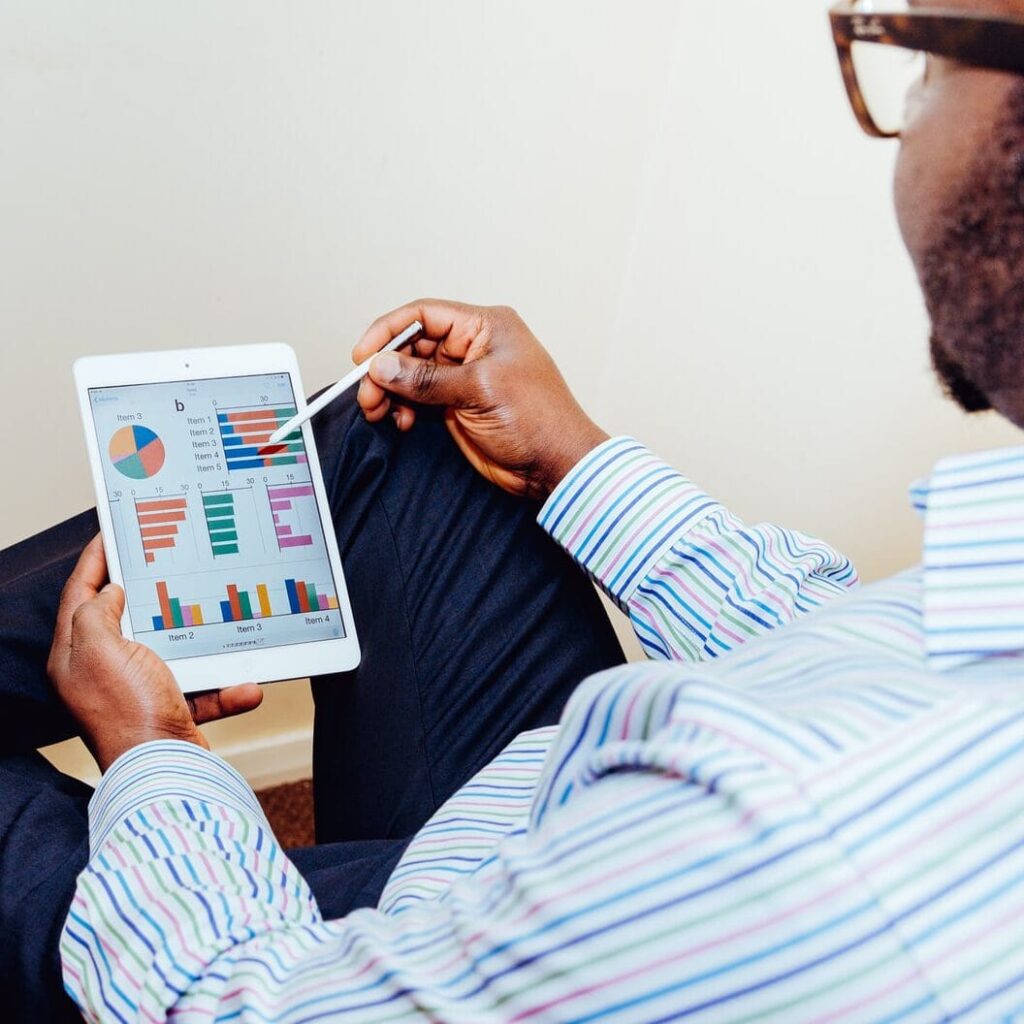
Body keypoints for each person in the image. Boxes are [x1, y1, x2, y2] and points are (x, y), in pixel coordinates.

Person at [5, 0, 1024, 1018]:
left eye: (921, 59)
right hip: (543, 821)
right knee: (400, 436)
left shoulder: (817, 846)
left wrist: (156, 755)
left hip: (391, 946)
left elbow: (237, 1004)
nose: (911, 110)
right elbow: (841, 657)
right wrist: (573, 458)